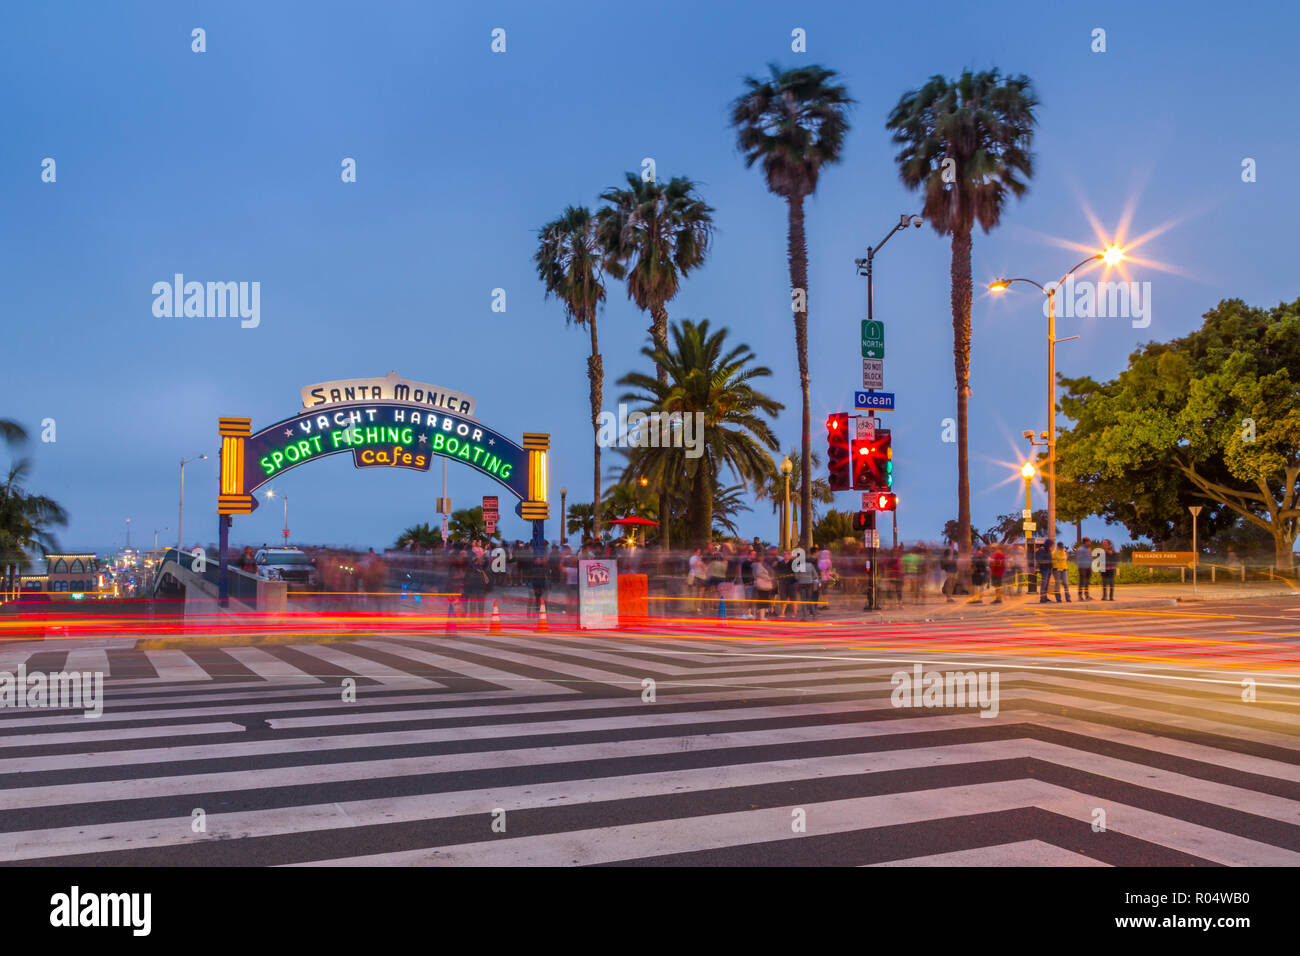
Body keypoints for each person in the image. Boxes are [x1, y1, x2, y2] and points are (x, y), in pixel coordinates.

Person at [1035, 539, 1055, 603]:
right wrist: (1048, 562)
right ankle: (1042, 598)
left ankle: (1045, 597)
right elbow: (1040, 560)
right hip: (1044, 569)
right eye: (1050, 544)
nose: (1051, 546)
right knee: (1044, 584)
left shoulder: (1048, 550)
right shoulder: (1041, 550)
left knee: (1046, 584)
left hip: (1048, 569)